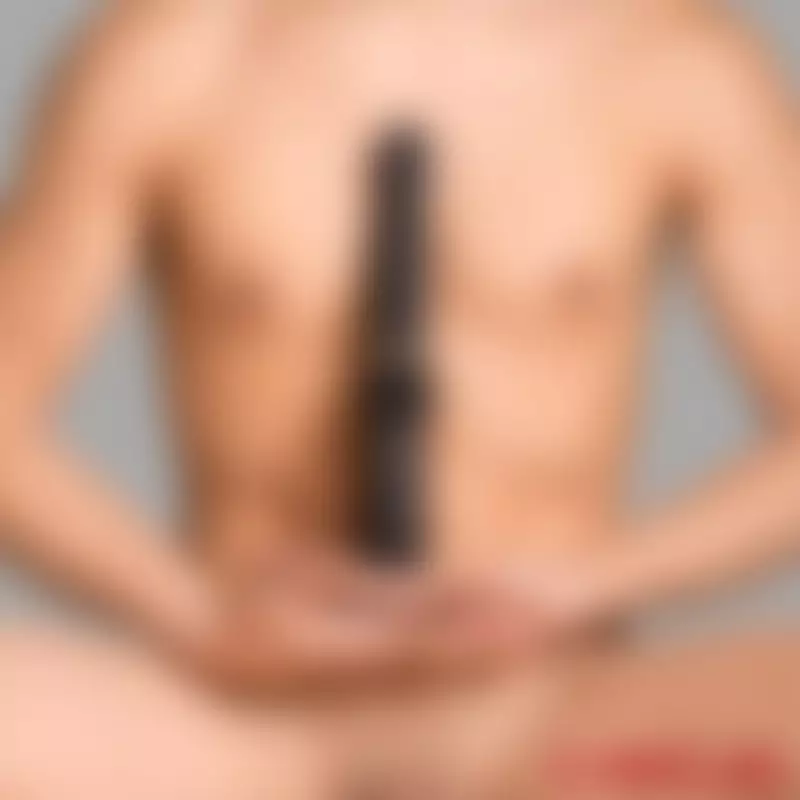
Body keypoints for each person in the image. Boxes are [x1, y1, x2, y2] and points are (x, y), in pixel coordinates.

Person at [0, 0, 797, 797]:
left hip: (542, 706)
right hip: (238, 712)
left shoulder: (669, 61)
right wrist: (201, 616)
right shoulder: (165, 57)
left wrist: (587, 586)